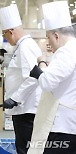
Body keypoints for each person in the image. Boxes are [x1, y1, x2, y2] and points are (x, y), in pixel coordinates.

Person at [28, 1, 76, 154]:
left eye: (48, 37)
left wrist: (41, 65)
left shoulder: (66, 51)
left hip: (62, 126)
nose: (48, 42)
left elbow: (47, 83)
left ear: (56, 35)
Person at [0, 4, 42, 154]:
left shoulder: (26, 46)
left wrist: (15, 98)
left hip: (26, 109)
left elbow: (34, 76)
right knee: (22, 147)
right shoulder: (22, 46)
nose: (5, 38)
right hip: (23, 108)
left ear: (11, 31)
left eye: (5, 35)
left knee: (25, 149)